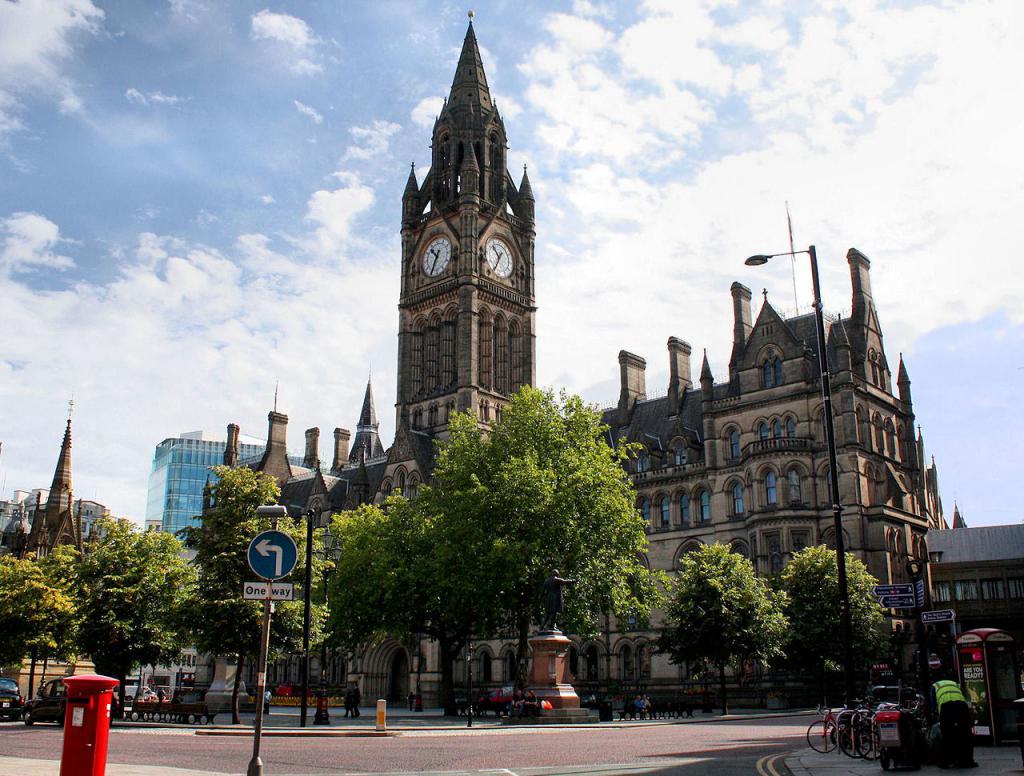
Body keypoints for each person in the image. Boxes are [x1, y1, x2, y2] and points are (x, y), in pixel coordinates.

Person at [931, 677, 977, 769]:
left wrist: (934, 714)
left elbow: (933, 704)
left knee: (947, 735)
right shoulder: (954, 683)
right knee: (965, 734)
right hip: (961, 706)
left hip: (946, 707)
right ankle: (967, 761)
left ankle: (945, 762)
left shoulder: (935, 686)